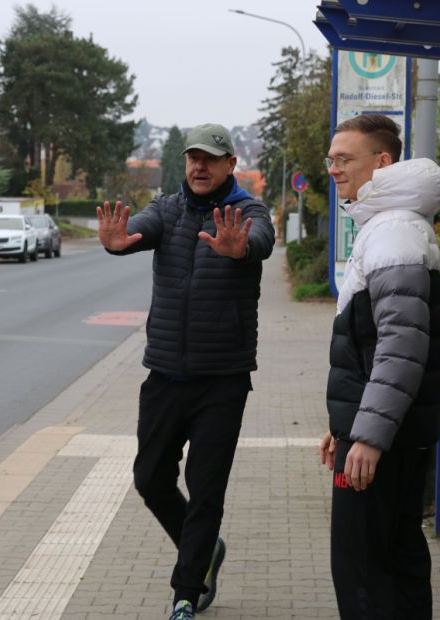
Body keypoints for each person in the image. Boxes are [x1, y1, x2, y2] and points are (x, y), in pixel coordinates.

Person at [98, 123, 275, 620]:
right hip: (165, 373)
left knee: (205, 489)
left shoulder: (249, 212)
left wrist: (239, 248)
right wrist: (119, 242)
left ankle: (185, 593)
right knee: (150, 479)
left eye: (211, 159)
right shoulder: (167, 209)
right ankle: (205, 550)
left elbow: (259, 240)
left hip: (222, 378)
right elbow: (139, 230)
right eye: (193, 158)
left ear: (229, 165)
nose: (200, 167)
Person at [319, 114, 440, 619]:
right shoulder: (392, 225)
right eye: (330, 159)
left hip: (382, 438)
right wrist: (346, 427)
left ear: (383, 162)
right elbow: (373, 346)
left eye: (344, 159)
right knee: (396, 557)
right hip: (389, 428)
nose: (333, 169)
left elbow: (400, 346)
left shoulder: (393, 231)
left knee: (361, 569)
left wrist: (366, 437)